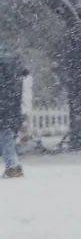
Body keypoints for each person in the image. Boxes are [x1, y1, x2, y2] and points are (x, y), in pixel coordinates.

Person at [1, 49, 29, 179]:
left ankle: (12, 167)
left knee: (6, 138)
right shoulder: (14, 73)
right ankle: (14, 165)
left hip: (4, 110)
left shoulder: (5, 73)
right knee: (8, 138)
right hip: (12, 109)